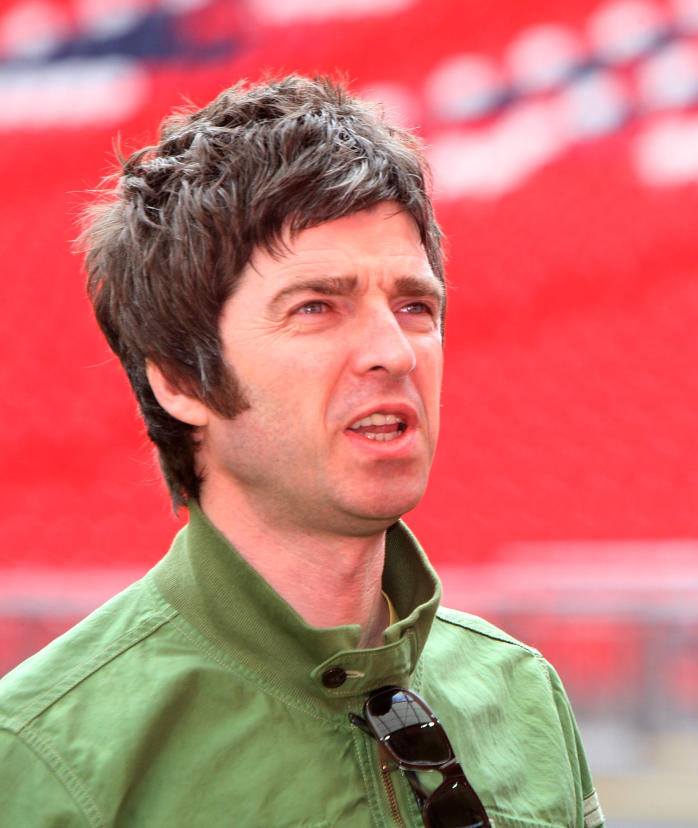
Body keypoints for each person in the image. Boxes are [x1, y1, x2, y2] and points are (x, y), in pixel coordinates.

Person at [0, 75, 604, 828]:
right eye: (317, 306)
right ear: (183, 378)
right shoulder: (43, 757)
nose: (394, 351)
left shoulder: (521, 694)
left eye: (415, 305)